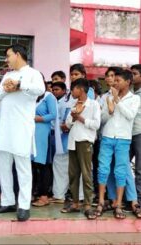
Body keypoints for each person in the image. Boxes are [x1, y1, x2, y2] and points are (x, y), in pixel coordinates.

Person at [0, 43, 44, 221]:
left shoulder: (33, 74)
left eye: (8, 56)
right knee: (3, 166)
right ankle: (7, 201)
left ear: (18, 55)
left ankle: (24, 205)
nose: (6, 60)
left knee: (23, 168)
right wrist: (6, 89)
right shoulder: (7, 75)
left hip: (22, 128)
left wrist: (20, 85)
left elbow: (40, 90)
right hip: (5, 127)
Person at [96, 70, 140, 219]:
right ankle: (101, 202)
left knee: (120, 171)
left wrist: (117, 101)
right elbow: (102, 119)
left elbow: (130, 115)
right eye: (114, 81)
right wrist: (109, 109)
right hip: (107, 137)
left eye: (118, 80)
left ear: (128, 82)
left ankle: (119, 205)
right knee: (103, 169)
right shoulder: (107, 97)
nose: (115, 83)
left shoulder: (134, 99)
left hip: (123, 139)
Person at [61, 78, 100, 220]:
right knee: (73, 173)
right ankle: (76, 203)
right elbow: (67, 124)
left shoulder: (94, 104)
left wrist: (80, 118)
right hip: (73, 141)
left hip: (85, 141)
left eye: (74, 89)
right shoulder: (73, 104)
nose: (72, 92)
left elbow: (96, 124)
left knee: (86, 173)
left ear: (81, 89)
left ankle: (88, 205)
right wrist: (73, 117)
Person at [31, 82, 57, 207]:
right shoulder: (30, 96)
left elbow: (53, 115)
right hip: (30, 134)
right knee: (31, 164)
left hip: (43, 133)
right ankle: (32, 193)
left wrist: (38, 119)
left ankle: (44, 196)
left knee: (43, 165)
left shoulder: (49, 97)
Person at [131, 64, 141, 206]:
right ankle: (130, 196)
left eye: (134, 74)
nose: (131, 77)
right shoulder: (131, 92)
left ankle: (138, 199)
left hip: (140, 132)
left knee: (139, 168)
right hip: (127, 133)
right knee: (123, 166)